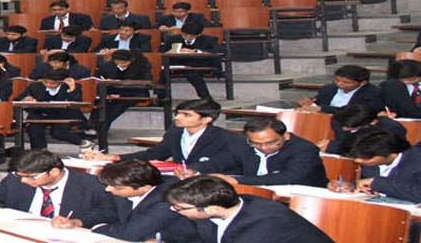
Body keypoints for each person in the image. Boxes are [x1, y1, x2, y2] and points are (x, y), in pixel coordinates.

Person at [51, 159, 199, 242]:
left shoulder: (169, 198)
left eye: (116, 187)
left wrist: (97, 228)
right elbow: (109, 212)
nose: (108, 190)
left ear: (145, 187)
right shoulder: (124, 187)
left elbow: (130, 234)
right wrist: (77, 222)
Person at [84, 98, 244, 174]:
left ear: (207, 119)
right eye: (178, 114)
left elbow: (223, 163)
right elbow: (155, 154)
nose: (177, 118)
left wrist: (194, 170)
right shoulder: (175, 131)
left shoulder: (225, 138)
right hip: (180, 179)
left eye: (186, 115)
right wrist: (114, 158)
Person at [0, 150, 115, 224]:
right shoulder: (16, 180)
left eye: (31, 177)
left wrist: (77, 222)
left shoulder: (91, 184)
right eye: (21, 177)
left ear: (54, 171)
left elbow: (108, 213)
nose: (24, 182)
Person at [164, 175, 332, 243]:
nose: (173, 209)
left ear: (212, 208)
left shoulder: (265, 224)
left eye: (179, 207)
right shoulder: (229, 206)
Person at [202, 118, 328, 187]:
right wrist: (194, 170)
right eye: (256, 143)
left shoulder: (304, 149)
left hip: (298, 199)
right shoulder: (243, 144)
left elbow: (290, 177)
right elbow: (221, 161)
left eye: (271, 143)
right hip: (257, 195)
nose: (263, 147)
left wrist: (238, 181)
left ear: (286, 136)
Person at [17, 70, 90, 150]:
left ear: (61, 82)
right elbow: (19, 98)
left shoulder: (72, 86)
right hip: (41, 114)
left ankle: (82, 142)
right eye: (45, 82)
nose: (48, 85)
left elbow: (76, 103)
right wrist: (26, 99)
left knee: (58, 132)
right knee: (33, 127)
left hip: (64, 115)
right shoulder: (35, 86)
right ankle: (40, 150)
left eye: (53, 83)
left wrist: (72, 89)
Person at [92, 50, 154, 138]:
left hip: (134, 93)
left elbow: (146, 81)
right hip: (113, 92)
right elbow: (98, 77)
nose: (120, 64)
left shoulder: (141, 66)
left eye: (123, 62)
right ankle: (92, 127)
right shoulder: (109, 66)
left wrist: (120, 82)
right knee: (100, 103)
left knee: (118, 106)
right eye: (117, 62)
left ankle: (102, 129)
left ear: (131, 60)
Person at [348, 130, 421, 201]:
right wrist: (352, 186)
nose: (358, 161)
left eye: (365, 158)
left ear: (391, 155)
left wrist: (378, 183)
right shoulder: (369, 163)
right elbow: (366, 183)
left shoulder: (416, 161)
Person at [160, 24, 225, 99]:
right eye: (185, 35)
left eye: (191, 36)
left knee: (192, 73)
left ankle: (206, 97)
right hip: (178, 63)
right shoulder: (172, 39)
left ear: (199, 35)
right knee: (162, 71)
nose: (188, 38)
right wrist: (169, 52)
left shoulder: (209, 39)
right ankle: (162, 97)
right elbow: (162, 52)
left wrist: (195, 51)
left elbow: (220, 50)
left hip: (199, 64)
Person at [324, 104, 407, 155]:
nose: (344, 129)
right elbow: (343, 140)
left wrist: (334, 146)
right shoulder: (342, 120)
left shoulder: (391, 128)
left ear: (372, 122)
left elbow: (375, 151)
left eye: (349, 127)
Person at [299, 65, 382, 114]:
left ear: (363, 83)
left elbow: (359, 112)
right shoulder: (328, 89)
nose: (339, 84)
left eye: (346, 82)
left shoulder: (372, 93)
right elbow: (317, 104)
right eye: (337, 80)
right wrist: (310, 103)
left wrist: (323, 109)